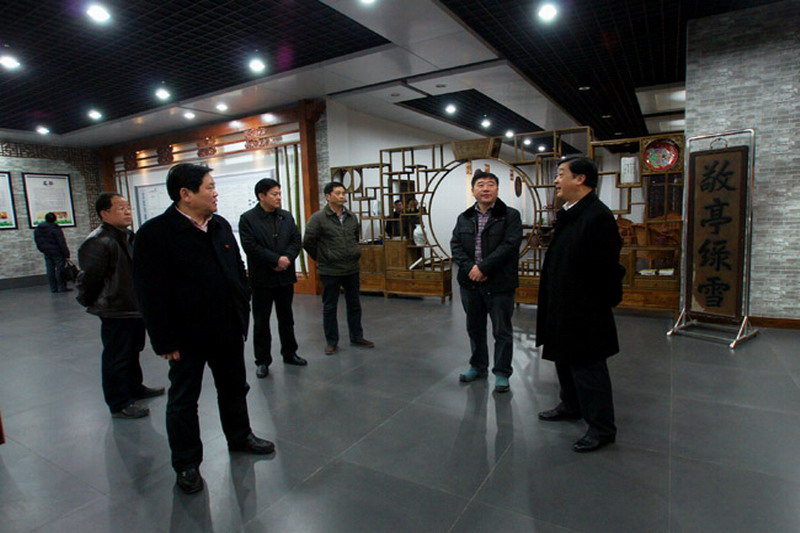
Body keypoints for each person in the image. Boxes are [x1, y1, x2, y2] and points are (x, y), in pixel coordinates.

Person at [133, 163, 274, 495]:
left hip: (227, 327)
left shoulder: (219, 225)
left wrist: (242, 300)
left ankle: (240, 436)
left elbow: (237, 268)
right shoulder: (155, 234)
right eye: (209, 187)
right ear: (186, 194)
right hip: (186, 336)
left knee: (234, 388)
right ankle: (186, 463)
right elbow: (149, 293)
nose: (215, 193)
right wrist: (163, 339)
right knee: (184, 400)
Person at [536, 156, 624, 453]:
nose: (556, 180)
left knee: (588, 367)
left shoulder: (597, 216)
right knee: (564, 359)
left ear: (580, 179)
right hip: (562, 303)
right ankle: (571, 405)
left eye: (561, 174)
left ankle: (601, 428)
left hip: (585, 309)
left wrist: (594, 305)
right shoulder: (570, 212)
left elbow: (607, 269)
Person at [76, 193, 164, 419]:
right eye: (120, 208)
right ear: (104, 214)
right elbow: (90, 278)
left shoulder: (127, 236)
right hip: (116, 308)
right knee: (117, 355)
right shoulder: (99, 240)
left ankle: (135, 387)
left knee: (133, 350)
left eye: (128, 207)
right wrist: (90, 300)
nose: (127, 212)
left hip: (133, 306)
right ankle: (118, 402)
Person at [451, 169, 522, 393]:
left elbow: (510, 246)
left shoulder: (510, 215)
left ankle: (502, 373)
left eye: (490, 184)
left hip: (499, 283)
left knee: (502, 330)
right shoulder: (464, 217)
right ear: (473, 190)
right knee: (475, 328)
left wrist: (483, 267)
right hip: (470, 283)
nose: (485, 188)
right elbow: (456, 246)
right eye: (480, 184)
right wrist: (470, 268)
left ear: (497, 189)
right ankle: (478, 366)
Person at [239, 178, 306, 379]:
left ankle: (290, 353)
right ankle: (262, 361)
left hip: (285, 277)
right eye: (274, 194)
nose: (279, 197)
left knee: (287, 318)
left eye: (279, 193)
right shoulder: (248, 219)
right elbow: (250, 246)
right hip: (262, 279)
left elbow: (296, 240)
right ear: (261, 196)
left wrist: (287, 259)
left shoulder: (286, 216)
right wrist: (275, 260)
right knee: (261, 321)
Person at [303, 181, 374, 355]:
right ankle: (332, 342)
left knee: (354, 305)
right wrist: (322, 258)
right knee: (330, 307)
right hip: (330, 270)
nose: (342, 196)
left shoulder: (351, 217)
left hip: (351, 268)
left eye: (343, 193)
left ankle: (357, 337)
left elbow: (354, 238)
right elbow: (308, 242)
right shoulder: (318, 218)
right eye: (338, 193)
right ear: (328, 197)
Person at [33, 212, 71, 293]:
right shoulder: (55, 228)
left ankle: (53, 288)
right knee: (60, 270)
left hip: (46, 252)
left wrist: (42, 250)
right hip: (57, 252)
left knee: (50, 269)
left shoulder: (38, 229)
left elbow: (37, 241)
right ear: (54, 219)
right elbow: (61, 242)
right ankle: (62, 287)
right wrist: (66, 254)